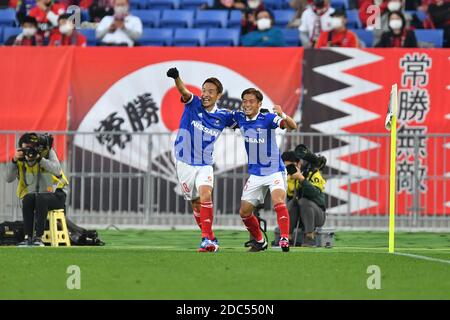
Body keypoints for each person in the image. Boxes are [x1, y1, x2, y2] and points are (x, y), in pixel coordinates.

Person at [167, 67, 237, 253]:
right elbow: (183, 91)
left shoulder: (223, 116)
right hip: (184, 161)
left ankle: (206, 239)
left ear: (218, 95)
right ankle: (211, 236)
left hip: (205, 163)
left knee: (206, 195)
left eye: (210, 91)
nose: (205, 94)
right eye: (204, 90)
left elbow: (243, 124)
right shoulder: (193, 103)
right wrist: (177, 77)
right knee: (195, 203)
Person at [232, 88, 297, 252]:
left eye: (251, 101)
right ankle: (260, 241)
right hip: (255, 174)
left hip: (274, 169)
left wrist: (282, 114)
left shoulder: (267, 117)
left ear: (259, 104)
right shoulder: (239, 118)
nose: (247, 104)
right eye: (244, 101)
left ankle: (284, 238)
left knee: (278, 201)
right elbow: (221, 119)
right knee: (244, 212)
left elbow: (292, 126)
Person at [5, 133, 69, 247]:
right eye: (25, 148)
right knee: (28, 199)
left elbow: (57, 170)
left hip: (57, 194)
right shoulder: (20, 157)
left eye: (31, 148)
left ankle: (38, 238)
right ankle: (28, 237)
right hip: (35, 195)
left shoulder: (47, 152)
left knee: (40, 198)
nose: (29, 151)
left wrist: (40, 159)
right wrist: (14, 160)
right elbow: (9, 179)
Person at [286, 144, 327, 247]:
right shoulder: (292, 177)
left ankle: (310, 236)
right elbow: (290, 195)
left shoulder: (315, 175)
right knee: (293, 202)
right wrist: (292, 179)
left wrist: (302, 179)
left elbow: (314, 194)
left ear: (299, 164)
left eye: (293, 165)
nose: (291, 168)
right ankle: (287, 237)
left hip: (318, 215)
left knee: (304, 201)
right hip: (299, 216)